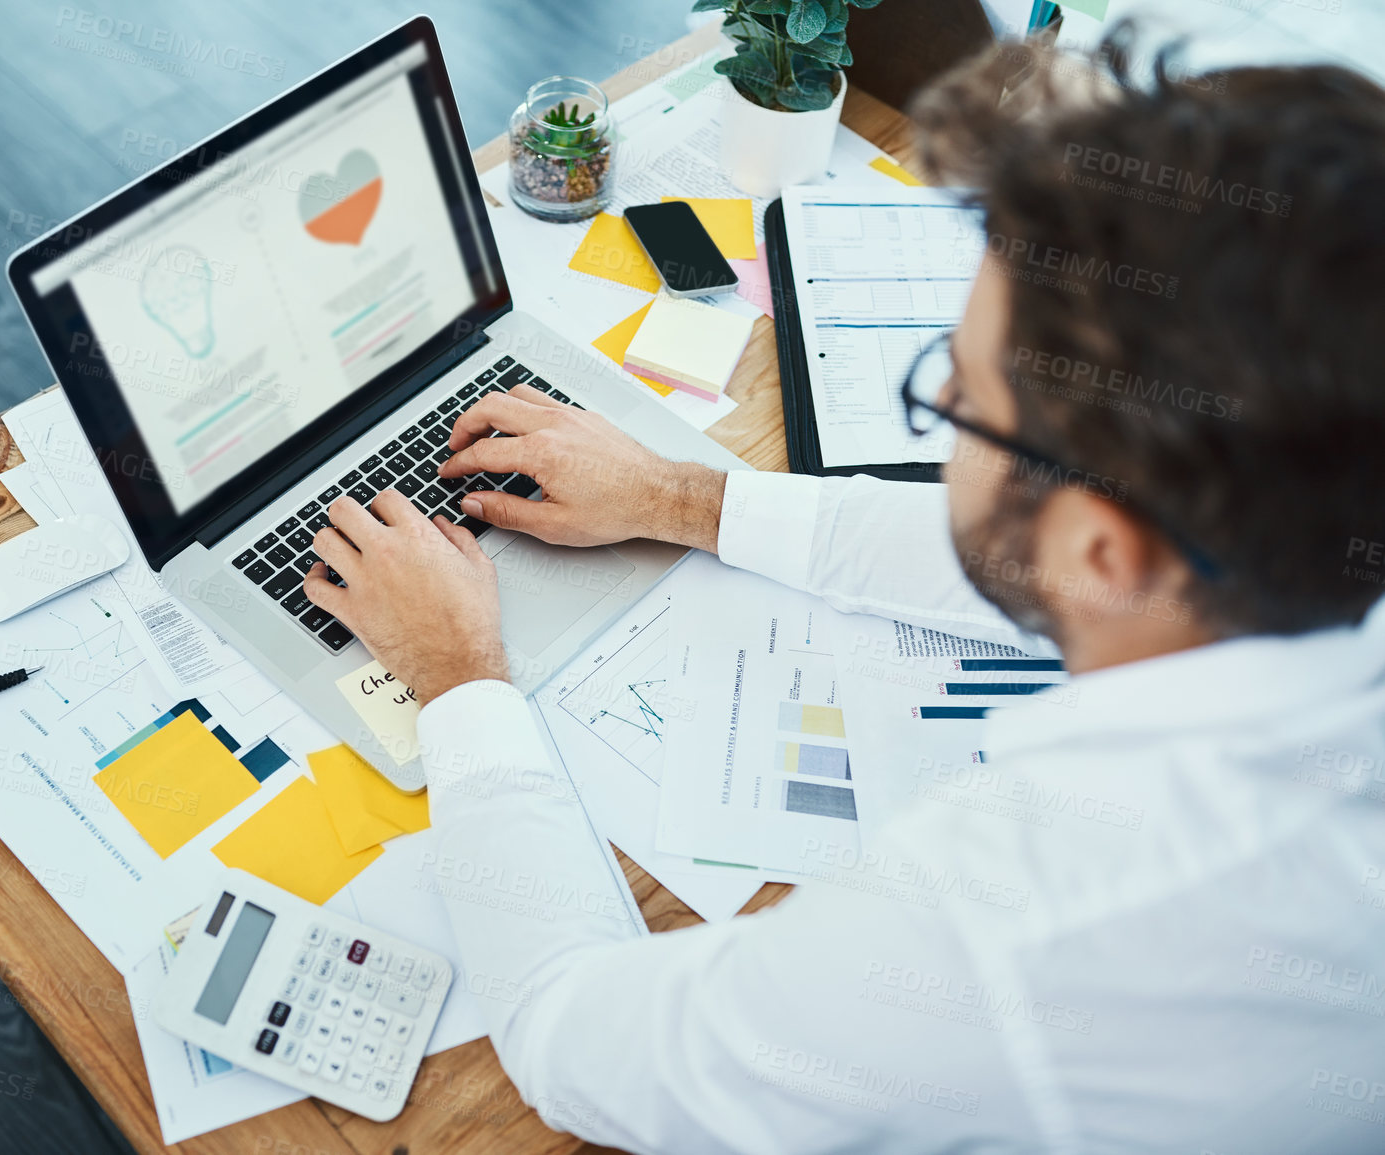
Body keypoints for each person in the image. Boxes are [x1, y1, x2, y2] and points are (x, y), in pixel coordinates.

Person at [301, 33, 1385, 1155]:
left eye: (956, 400)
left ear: (1107, 554)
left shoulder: (1023, 919)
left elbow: (577, 1051)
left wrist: (459, 677)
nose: (943, 410)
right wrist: (684, 497)